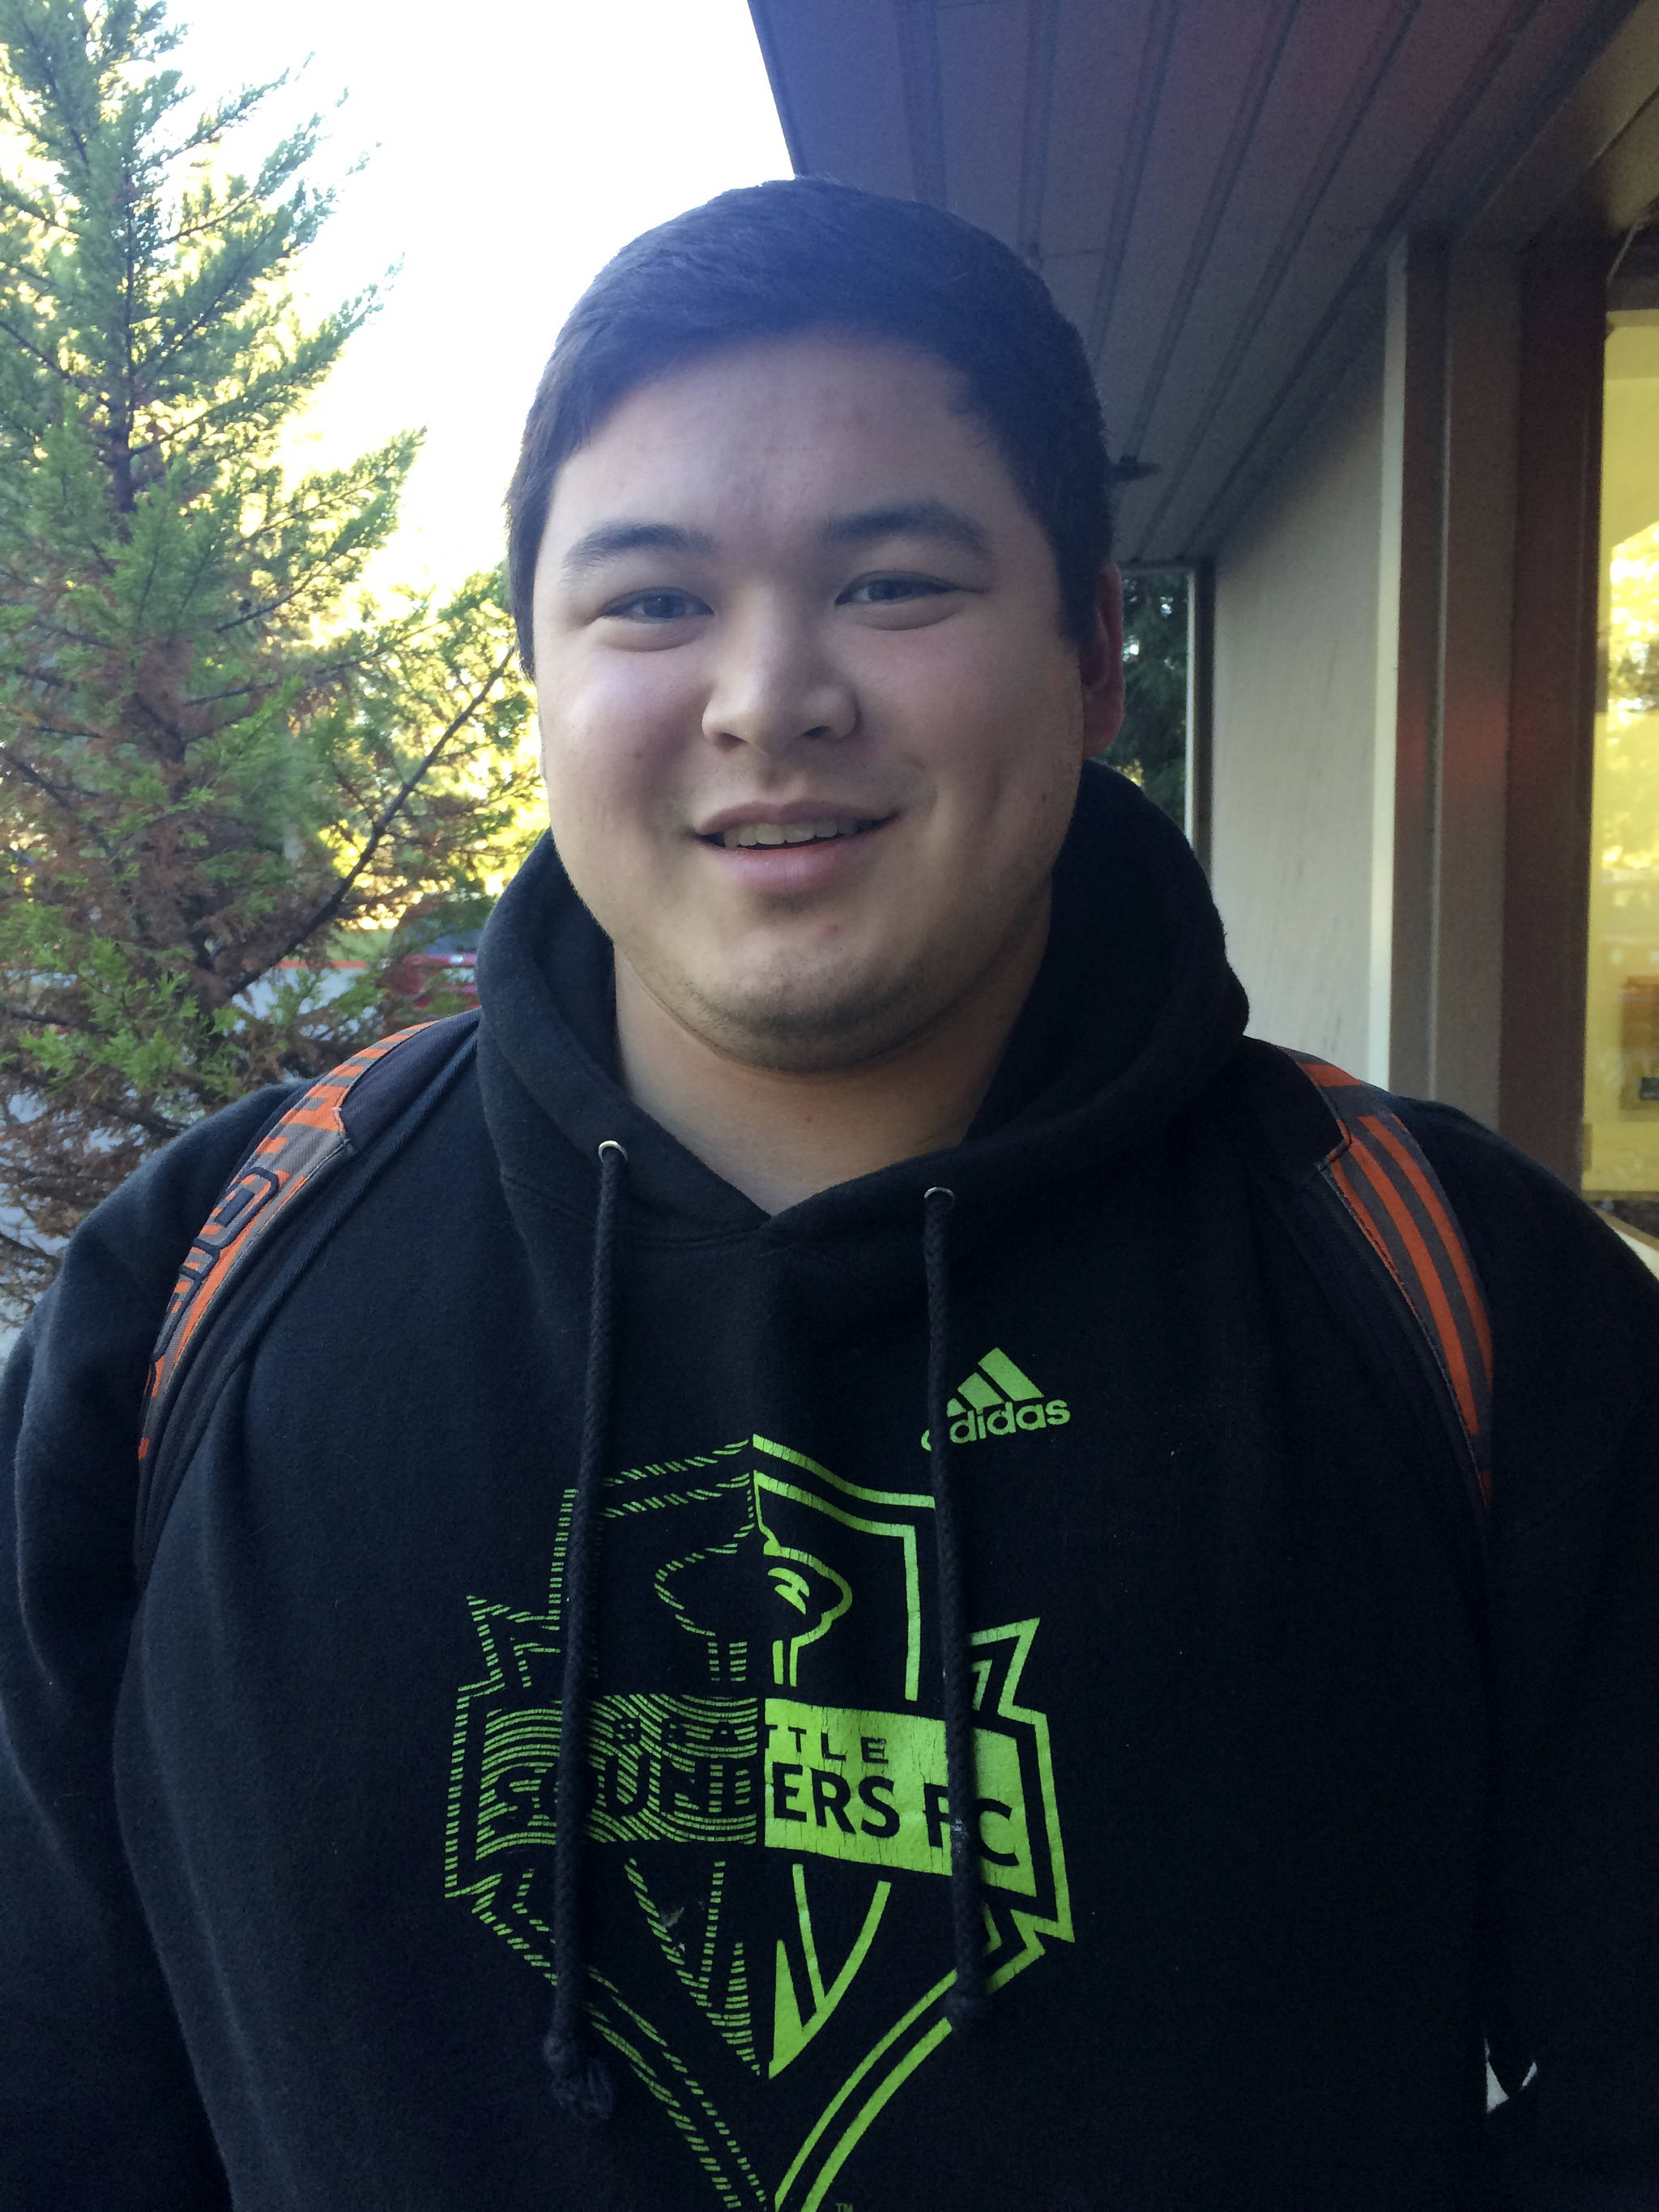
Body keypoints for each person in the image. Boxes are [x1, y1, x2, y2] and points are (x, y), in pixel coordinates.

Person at [2, 177, 1657, 2212]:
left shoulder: (1455, 1294)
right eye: (650, 601)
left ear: (1091, 659)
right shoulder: (191, 1292)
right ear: (535, 670)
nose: (767, 694)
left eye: (892, 585)